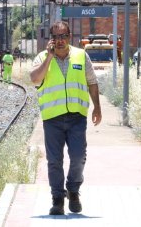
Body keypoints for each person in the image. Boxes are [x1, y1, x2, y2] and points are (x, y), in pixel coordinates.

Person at [29, 21, 102, 215]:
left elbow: (92, 82)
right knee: (54, 161)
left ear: (70, 37)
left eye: (64, 36)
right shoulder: (42, 57)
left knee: (78, 157)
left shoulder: (81, 55)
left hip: (77, 117)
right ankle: (57, 199)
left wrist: (97, 108)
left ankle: (73, 189)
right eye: (56, 37)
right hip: (52, 118)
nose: (60, 41)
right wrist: (49, 58)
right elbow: (35, 79)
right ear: (50, 39)